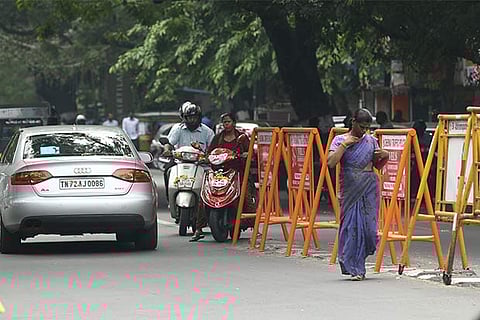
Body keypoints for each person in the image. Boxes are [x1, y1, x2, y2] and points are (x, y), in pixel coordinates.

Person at [327, 108, 389, 281]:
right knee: (351, 228)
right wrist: (346, 144)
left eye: (367, 128)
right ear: (353, 121)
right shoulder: (339, 140)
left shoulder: (371, 141)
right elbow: (331, 163)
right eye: (362, 127)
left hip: (369, 186)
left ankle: (361, 260)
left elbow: (378, 164)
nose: (364, 131)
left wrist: (385, 155)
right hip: (350, 188)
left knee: (369, 230)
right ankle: (355, 269)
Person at [189, 112, 254, 242]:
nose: (226, 124)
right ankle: (198, 228)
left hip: (236, 172)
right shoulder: (218, 138)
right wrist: (205, 157)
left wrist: (246, 155)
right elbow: (209, 152)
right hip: (218, 173)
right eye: (224, 122)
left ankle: (252, 223)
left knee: (245, 195)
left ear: (234, 123)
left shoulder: (241, 138)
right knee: (205, 196)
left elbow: (250, 152)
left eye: (228, 121)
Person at [162, 101, 215, 210]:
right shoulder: (178, 129)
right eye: (189, 117)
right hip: (180, 162)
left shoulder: (207, 132)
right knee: (167, 171)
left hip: (201, 163)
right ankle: (170, 199)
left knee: (212, 177)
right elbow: (169, 143)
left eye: (194, 117)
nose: (192, 120)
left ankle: (210, 204)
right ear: (184, 118)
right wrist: (167, 150)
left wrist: (209, 156)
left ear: (199, 118)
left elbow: (213, 148)